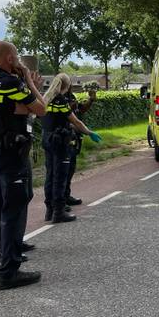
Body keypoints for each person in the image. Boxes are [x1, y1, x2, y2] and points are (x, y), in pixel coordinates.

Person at [0, 41, 46, 290]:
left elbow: (16, 109)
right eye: (16, 58)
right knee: (13, 209)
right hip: (10, 152)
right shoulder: (10, 83)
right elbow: (40, 108)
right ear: (10, 59)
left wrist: (22, 107)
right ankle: (9, 271)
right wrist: (30, 81)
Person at [42, 74, 102, 223]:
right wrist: (89, 132)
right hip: (60, 141)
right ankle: (59, 212)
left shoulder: (45, 99)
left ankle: (49, 210)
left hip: (47, 139)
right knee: (60, 176)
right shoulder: (61, 100)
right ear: (67, 85)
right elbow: (75, 121)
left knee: (50, 175)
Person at [64, 88, 96, 206]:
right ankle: (58, 202)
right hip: (64, 138)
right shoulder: (58, 99)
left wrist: (90, 100)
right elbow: (66, 121)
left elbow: (81, 109)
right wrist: (86, 131)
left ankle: (66, 196)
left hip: (74, 137)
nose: (69, 86)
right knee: (62, 171)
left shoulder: (71, 96)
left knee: (70, 168)